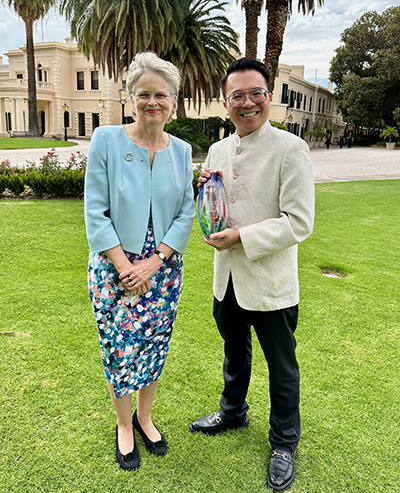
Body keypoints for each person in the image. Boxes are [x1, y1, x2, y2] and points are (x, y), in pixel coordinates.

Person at [189, 57, 315, 492]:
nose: (247, 103)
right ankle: (233, 411)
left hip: (270, 283)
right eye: (237, 95)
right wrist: (202, 188)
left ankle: (284, 442)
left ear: (269, 96)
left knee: (281, 366)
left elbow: (299, 222)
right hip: (227, 278)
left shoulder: (290, 148)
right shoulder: (220, 149)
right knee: (234, 352)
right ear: (226, 103)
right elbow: (216, 201)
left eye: (255, 93)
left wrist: (241, 235)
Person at [84, 52, 195, 471]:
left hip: (163, 271)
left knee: (153, 345)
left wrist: (155, 261)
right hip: (114, 270)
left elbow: (186, 211)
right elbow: (96, 211)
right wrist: (125, 266)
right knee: (120, 347)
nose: (153, 102)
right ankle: (124, 424)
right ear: (130, 97)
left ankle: (146, 418)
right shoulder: (106, 141)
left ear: (174, 100)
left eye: (161, 95)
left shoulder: (182, 151)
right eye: (144, 94)